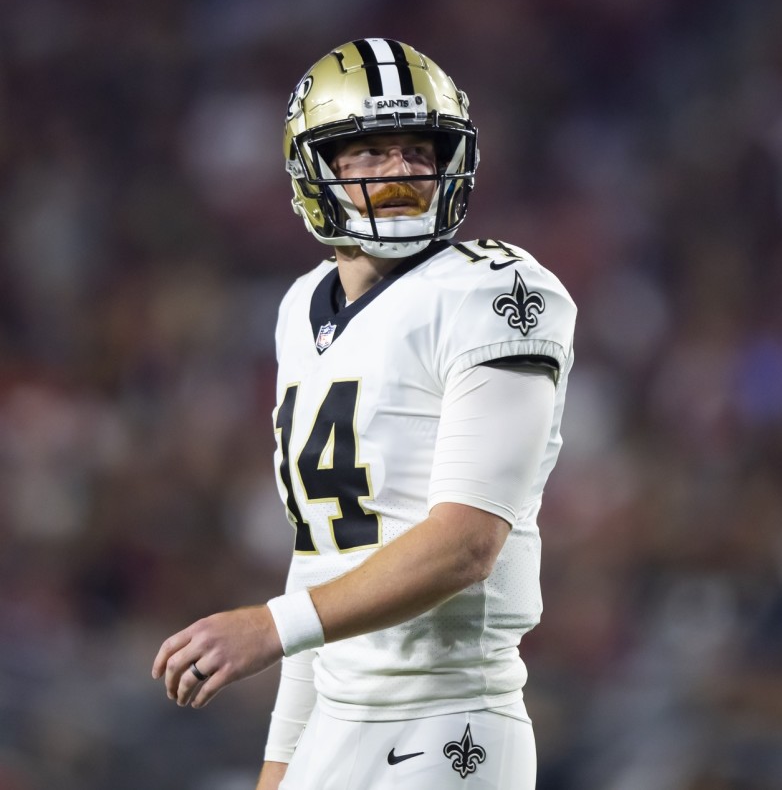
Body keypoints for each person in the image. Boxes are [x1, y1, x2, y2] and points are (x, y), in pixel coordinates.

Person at [151, 38, 576, 790]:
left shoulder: (497, 293)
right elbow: (321, 561)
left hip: (448, 721)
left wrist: (268, 629)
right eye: (372, 153)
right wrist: (281, 765)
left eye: (419, 150)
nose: (404, 172)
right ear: (318, 168)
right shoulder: (301, 308)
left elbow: (466, 544)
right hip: (338, 721)